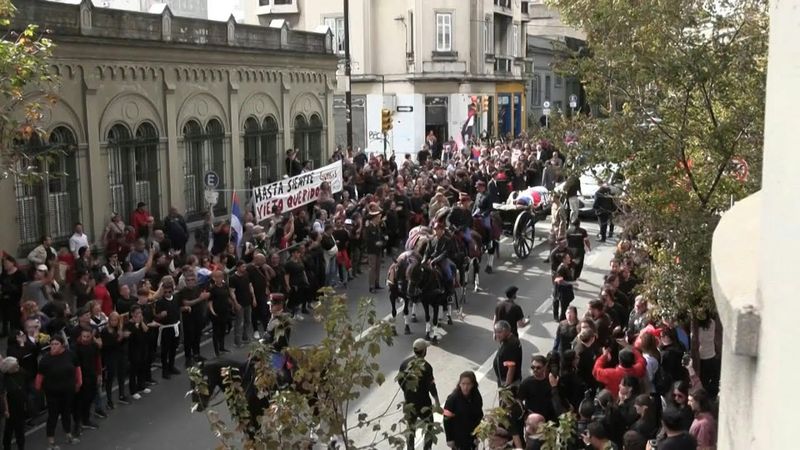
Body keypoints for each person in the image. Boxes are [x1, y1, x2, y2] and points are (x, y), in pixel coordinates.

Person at [35, 335, 80, 449]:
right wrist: (38, 389)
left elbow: (77, 369)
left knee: (66, 413)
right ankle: (51, 442)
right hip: (52, 393)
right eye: (52, 344)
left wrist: (79, 383)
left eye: (56, 344)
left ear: (62, 345)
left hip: (67, 391)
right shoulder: (45, 359)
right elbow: (40, 376)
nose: (53, 346)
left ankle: (68, 435)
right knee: (53, 416)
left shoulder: (70, 355)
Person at [397, 339, 440, 450]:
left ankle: (410, 448)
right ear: (424, 351)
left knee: (410, 429)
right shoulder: (427, 367)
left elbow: (400, 381)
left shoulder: (404, 363)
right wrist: (437, 401)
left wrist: (407, 392)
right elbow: (431, 386)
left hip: (409, 403)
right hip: (423, 403)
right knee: (429, 427)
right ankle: (427, 448)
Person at [442, 371, 483, 450]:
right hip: (458, 436)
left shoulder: (476, 396)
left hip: (472, 435)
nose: (465, 387)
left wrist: (477, 435)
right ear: (459, 384)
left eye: (468, 384)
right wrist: (449, 438)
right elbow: (446, 420)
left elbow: (479, 416)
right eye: (463, 384)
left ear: (473, 384)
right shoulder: (453, 399)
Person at [517, 354, 563, 422]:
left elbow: (557, 398)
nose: (535, 370)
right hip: (533, 419)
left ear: (545, 367)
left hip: (549, 419)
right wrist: (525, 412)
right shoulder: (526, 383)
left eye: (538, 367)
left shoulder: (550, 381)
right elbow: (519, 399)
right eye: (532, 367)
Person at [177, 271, 208, 368]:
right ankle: (188, 358)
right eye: (188, 280)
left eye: (192, 280)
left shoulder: (199, 288)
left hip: (198, 316)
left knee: (197, 336)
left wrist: (204, 298)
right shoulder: (183, 292)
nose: (190, 282)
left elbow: (206, 296)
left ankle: (197, 354)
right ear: (185, 281)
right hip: (188, 318)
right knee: (188, 338)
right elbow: (186, 303)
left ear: (195, 281)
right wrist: (200, 298)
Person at [73, 327, 101, 432]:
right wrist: (77, 380)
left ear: (91, 336)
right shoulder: (76, 348)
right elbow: (75, 366)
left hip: (92, 376)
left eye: (88, 337)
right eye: (84, 336)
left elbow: (98, 360)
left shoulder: (94, 346)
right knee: (79, 401)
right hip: (81, 378)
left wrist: (99, 374)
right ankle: (77, 423)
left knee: (89, 399)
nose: (85, 339)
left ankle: (86, 419)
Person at [100, 312, 130, 409]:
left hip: (120, 355)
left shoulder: (119, 329)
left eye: (116, 320)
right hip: (110, 356)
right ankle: (109, 400)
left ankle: (121, 395)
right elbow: (108, 345)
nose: (114, 322)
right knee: (111, 378)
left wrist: (125, 337)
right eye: (112, 320)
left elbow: (123, 343)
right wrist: (120, 337)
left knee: (121, 375)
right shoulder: (105, 331)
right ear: (109, 321)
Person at [154, 278, 183, 379]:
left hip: (175, 326)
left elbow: (178, 308)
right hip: (166, 329)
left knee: (173, 349)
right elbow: (156, 316)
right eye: (165, 292)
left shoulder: (176, 298)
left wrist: (185, 308)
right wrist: (160, 315)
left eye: (169, 291)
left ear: (172, 290)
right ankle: (165, 370)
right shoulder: (160, 302)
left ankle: (171, 366)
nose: (167, 293)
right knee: (165, 351)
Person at [125, 305, 152, 400]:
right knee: (134, 370)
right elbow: (131, 336)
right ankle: (133, 390)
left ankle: (142, 386)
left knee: (142, 366)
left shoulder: (141, 321)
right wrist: (136, 324)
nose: (139, 315)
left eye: (140, 312)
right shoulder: (129, 324)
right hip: (134, 349)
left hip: (143, 347)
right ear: (132, 314)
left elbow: (146, 330)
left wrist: (141, 322)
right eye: (137, 313)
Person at [1, 356, 27, 450]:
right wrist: (6, 410)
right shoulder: (3, 379)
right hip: (10, 408)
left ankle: (21, 447)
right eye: (15, 366)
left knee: (20, 429)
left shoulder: (21, 372)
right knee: (8, 430)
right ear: (9, 369)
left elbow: (25, 382)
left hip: (20, 405)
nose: (18, 367)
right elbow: (3, 395)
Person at [207, 270, 234, 357]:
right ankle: (216, 350)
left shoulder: (225, 286)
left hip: (225, 311)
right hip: (216, 312)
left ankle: (222, 347)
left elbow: (228, 297)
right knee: (216, 332)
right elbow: (210, 301)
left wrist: (232, 305)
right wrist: (212, 311)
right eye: (217, 277)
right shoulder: (212, 289)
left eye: (220, 277)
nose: (219, 278)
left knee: (223, 330)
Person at [0, 256, 26, 337]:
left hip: (15, 298)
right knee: (4, 316)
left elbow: (24, 286)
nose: (5, 265)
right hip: (4, 298)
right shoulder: (3, 274)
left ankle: (14, 333)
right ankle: (4, 332)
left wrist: (22, 298)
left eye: (7, 263)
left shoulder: (20, 274)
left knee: (14, 317)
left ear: (12, 263)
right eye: (4, 263)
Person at [492, 321, 522, 387]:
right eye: (495, 332)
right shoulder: (509, 339)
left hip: (509, 382)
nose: (497, 335)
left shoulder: (511, 345)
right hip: (504, 379)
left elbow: (511, 368)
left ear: (507, 331)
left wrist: (506, 387)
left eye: (499, 332)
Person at [364, 210, 385, 293]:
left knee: (377, 267)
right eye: (378, 218)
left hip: (378, 250)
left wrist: (382, 241)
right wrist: (375, 243)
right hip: (372, 250)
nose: (379, 219)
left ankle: (376, 283)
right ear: (374, 218)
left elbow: (380, 236)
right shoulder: (369, 228)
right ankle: (371, 286)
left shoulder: (377, 227)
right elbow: (367, 239)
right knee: (372, 268)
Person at [553, 253, 577, 322]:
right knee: (564, 307)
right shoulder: (561, 268)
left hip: (566, 290)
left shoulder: (566, 266)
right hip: (562, 291)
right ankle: (562, 320)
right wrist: (571, 283)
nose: (570, 259)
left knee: (565, 306)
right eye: (568, 258)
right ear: (564, 260)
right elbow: (560, 281)